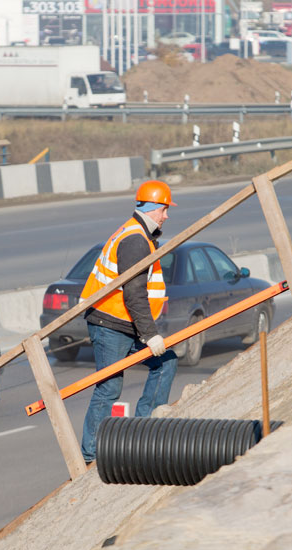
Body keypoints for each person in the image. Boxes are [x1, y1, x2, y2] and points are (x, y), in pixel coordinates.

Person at [79, 180, 179, 464]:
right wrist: (150, 334)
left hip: (124, 322)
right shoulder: (135, 240)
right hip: (110, 322)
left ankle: (144, 431)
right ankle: (91, 455)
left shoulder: (140, 235)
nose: (166, 216)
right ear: (152, 208)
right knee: (109, 387)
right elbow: (134, 292)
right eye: (164, 209)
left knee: (166, 363)